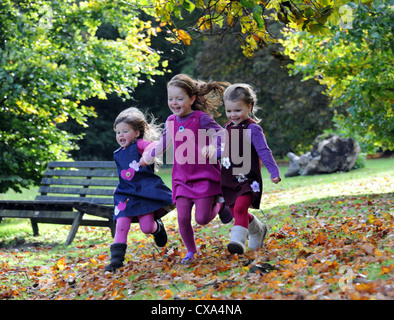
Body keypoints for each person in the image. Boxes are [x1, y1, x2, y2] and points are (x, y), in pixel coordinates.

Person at [140, 74, 232, 264]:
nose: (174, 103)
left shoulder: (201, 118)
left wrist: (214, 146)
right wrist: (148, 155)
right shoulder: (171, 121)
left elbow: (222, 133)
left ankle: (220, 203)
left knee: (202, 219)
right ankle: (191, 251)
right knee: (182, 218)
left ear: (191, 99)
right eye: (170, 98)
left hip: (204, 177)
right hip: (181, 178)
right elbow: (163, 144)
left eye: (179, 98)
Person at [105, 107, 174, 272]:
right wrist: (119, 186)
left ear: (136, 133)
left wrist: (147, 155)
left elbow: (154, 146)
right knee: (121, 224)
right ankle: (116, 262)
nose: (120, 135)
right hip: (125, 194)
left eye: (125, 131)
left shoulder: (139, 145)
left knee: (146, 228)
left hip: (144, 193)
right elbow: (125, 175)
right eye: (118, 132)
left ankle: (157, 227)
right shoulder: (117, 153)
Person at [220, 83, 281, 254]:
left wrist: (274, 171)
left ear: (249, 106)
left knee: (240, 208)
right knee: (235, 211)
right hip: (229, 178)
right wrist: (209, 151)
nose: (233, 115)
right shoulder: (228, 128)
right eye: (229, 111)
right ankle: (258, 229)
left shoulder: (253, 129)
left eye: (237, 110)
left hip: (248, 178)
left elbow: (264, 151)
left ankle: (237, 242)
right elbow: (224, 149)